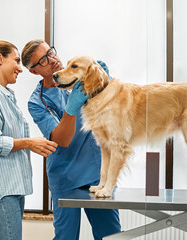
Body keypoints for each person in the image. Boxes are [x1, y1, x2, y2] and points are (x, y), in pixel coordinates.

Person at [21, 39, 121, 240]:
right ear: (34, 71)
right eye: (43, 60)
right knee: (66, 238)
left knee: (110, 235)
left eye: (50, 52)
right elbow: (62, 139)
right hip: (66, 178)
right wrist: (72, 107)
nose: (52, 60)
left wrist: (104, 82)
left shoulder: (82, 76)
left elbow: (114, 109)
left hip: (96, 173)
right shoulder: (37, 101)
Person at [0, 40, 58, 240]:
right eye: (16, 61)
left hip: (10, 188)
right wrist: (28, 142)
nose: (20, 68)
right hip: (1, 189)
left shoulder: (3, 95)